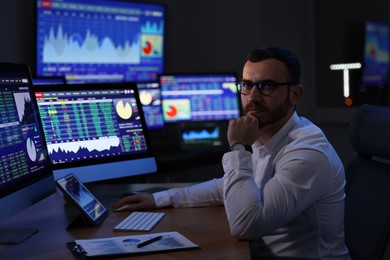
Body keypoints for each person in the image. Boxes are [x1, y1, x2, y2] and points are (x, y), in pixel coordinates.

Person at [112, 47, 350, 259]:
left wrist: (239, 147)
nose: (252, 97)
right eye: (247, 85)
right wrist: (161, 198)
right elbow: (228, 185)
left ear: (295, 94)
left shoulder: (307, 153)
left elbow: (246, 226)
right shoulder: (267, 133)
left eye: (267, 86)